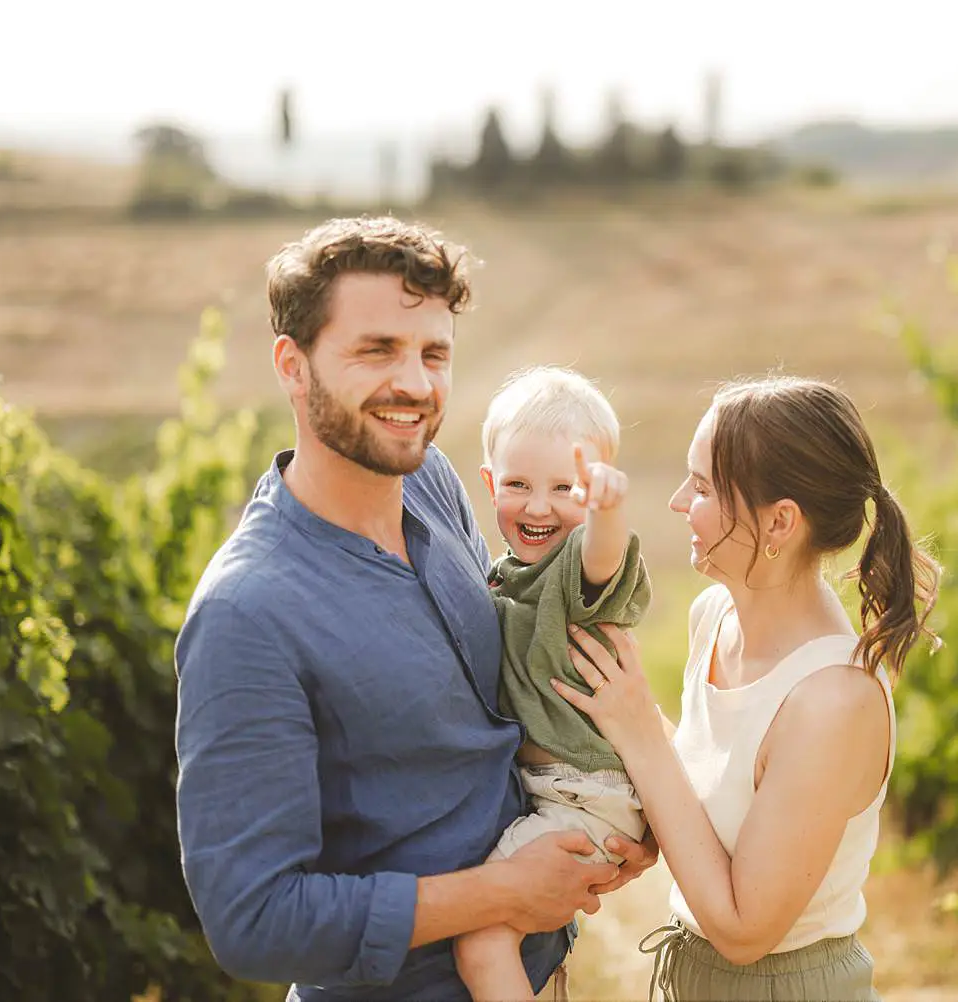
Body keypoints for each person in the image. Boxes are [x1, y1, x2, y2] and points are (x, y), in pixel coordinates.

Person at [172, 217, 657, 1002]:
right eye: (377, 350)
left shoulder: (428, 481)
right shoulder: (247, 613)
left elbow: (491, 719)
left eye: (433, 353)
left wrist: (606, 811)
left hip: (540, 975)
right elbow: (251, 920)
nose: (417, 384)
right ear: (291, 366)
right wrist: (502, 895)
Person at [554, 376, 941, 1001]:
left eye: (703, 486)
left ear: (779, 521)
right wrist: (645, 830)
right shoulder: (713, 618)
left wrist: (641, 731)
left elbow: (742, 930)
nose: (679, 501)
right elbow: (714, 791)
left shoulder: (833, 702)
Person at [453, 367, 653, 1001]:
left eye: (564, 489)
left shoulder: (573, 569)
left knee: (482, 938)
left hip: (585, 798)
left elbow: (601, 561)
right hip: (555, 793)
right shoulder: (504, 574)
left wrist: (606, 511)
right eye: (517, 484)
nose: (538, 506)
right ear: (489, 484)